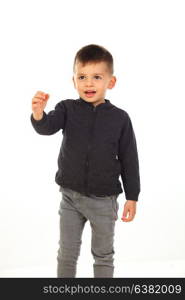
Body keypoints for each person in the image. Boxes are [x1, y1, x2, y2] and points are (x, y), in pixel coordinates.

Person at [30, 44, 141, 278]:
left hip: (104, 199)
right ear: (74, 81)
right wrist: (39, 114)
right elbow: (47, 127)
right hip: (70, 196)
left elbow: (130, 158)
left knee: (103, 255)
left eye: (97, 77)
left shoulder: (120, 118)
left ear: (111, 82)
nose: (88, 83)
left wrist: (132, 196)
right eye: (82, 77)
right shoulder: (67, 109)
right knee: (67, 253)